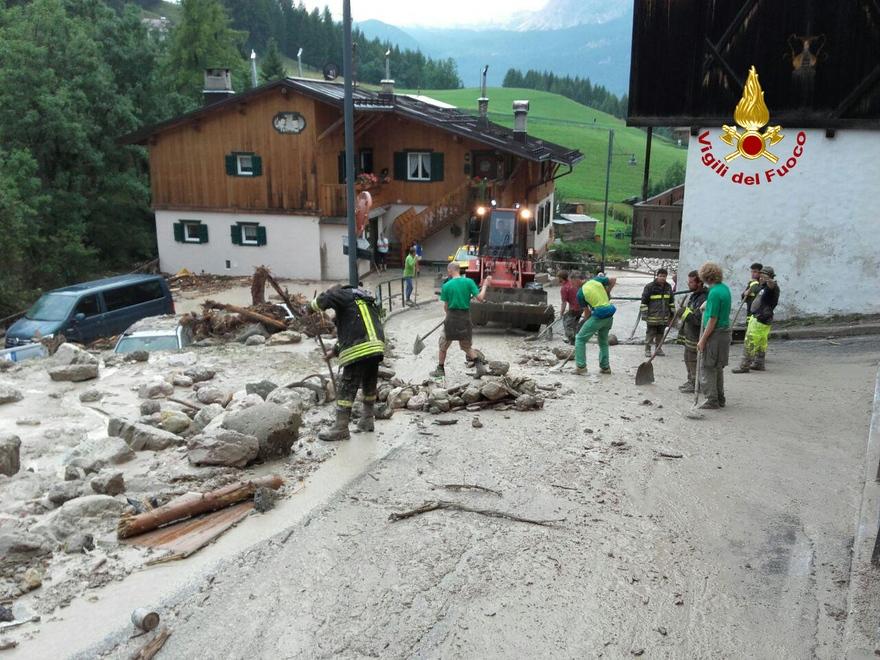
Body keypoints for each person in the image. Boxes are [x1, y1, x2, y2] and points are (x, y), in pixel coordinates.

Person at [310, 285, 386, 441]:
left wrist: (310, 307)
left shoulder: (343, 294)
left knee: (347, 386)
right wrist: (334, 352)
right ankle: (367, 419)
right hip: (376, 346)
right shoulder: (363, 300)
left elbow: (327, 297)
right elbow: (353, 331)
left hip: (359, 348)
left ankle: (341, 427)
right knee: (369, 382)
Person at [431, 263, 492, 379]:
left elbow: (446, 307)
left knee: (443, 345)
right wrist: (484, 285)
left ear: (449, 270)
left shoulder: (446, 286)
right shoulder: (469, 282)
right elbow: (480, 298)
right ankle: (480, 367)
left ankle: (440, 369)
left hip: (451, 319)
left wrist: (449, 314)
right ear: (459, 270)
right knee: (466, 347)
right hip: (465, 318)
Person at [696, 262, 732, 409]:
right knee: (718, 367)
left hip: (715, 334)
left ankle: (712, 399)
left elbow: (712, 319)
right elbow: (717, 305)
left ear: (706, 277)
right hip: (724, 332)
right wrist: (707, 303)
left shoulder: (714, 293)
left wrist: (703, 340)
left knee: (708, 366)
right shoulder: (724, 289)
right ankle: (720, 398)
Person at [733, 266, 780, 373]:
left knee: (750, 341)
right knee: (761, 343)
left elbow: (771, 286)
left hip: (760, 318)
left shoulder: (771, 286)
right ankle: (759, 363)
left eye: (764, 276)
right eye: (761, 276)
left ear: (770, 278)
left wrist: (770, 281)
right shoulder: (762, 286)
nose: (761, 278)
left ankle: (744, 366)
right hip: (763, 318)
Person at [573, 273, 617, 375]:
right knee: (603, 341)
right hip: (609, 314)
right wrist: (607, 292)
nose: (573, 285)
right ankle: (605, 368)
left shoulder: (580, 293)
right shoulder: (597, 280)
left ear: (577, 280)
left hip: (599, 315)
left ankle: (581, 367)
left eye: (573, 282)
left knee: (580, 338)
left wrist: (585, 322)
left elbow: (587, 313)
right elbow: (613, 279)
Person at [676, 270, 708, 393]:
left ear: (699, 283)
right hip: (689, 334)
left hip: (696, 336)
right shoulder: (694, 295)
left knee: (694, 360)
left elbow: (698, 320)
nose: (688, 284)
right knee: (688, 358)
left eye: (691, 282)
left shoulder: (703, 298)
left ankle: (696, 384)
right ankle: (691, 380)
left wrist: (683, 312)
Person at [640, 267, 675, 357]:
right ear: (657, 276)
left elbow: (671, 301)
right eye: (660, 276)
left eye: (664, 276)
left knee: (660, 333)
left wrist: (672, 314)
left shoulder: (668, 287)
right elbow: (644, 302)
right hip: (652, 316)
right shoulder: (649, 287)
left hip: (663, 317)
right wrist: (644, 315)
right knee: (650, 333)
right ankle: (647, 350)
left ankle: (658, 349)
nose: (662, 278)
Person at [557, 270, 583, 344]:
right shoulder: (572, 283)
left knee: (566, 323)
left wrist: (561, 313)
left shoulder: (564, 288)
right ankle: (575, 338)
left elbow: (564, 303)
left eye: (558, 278)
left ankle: (572, 339)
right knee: (574, 323)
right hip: (581, 307)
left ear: (561, 278)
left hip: (575, 308)